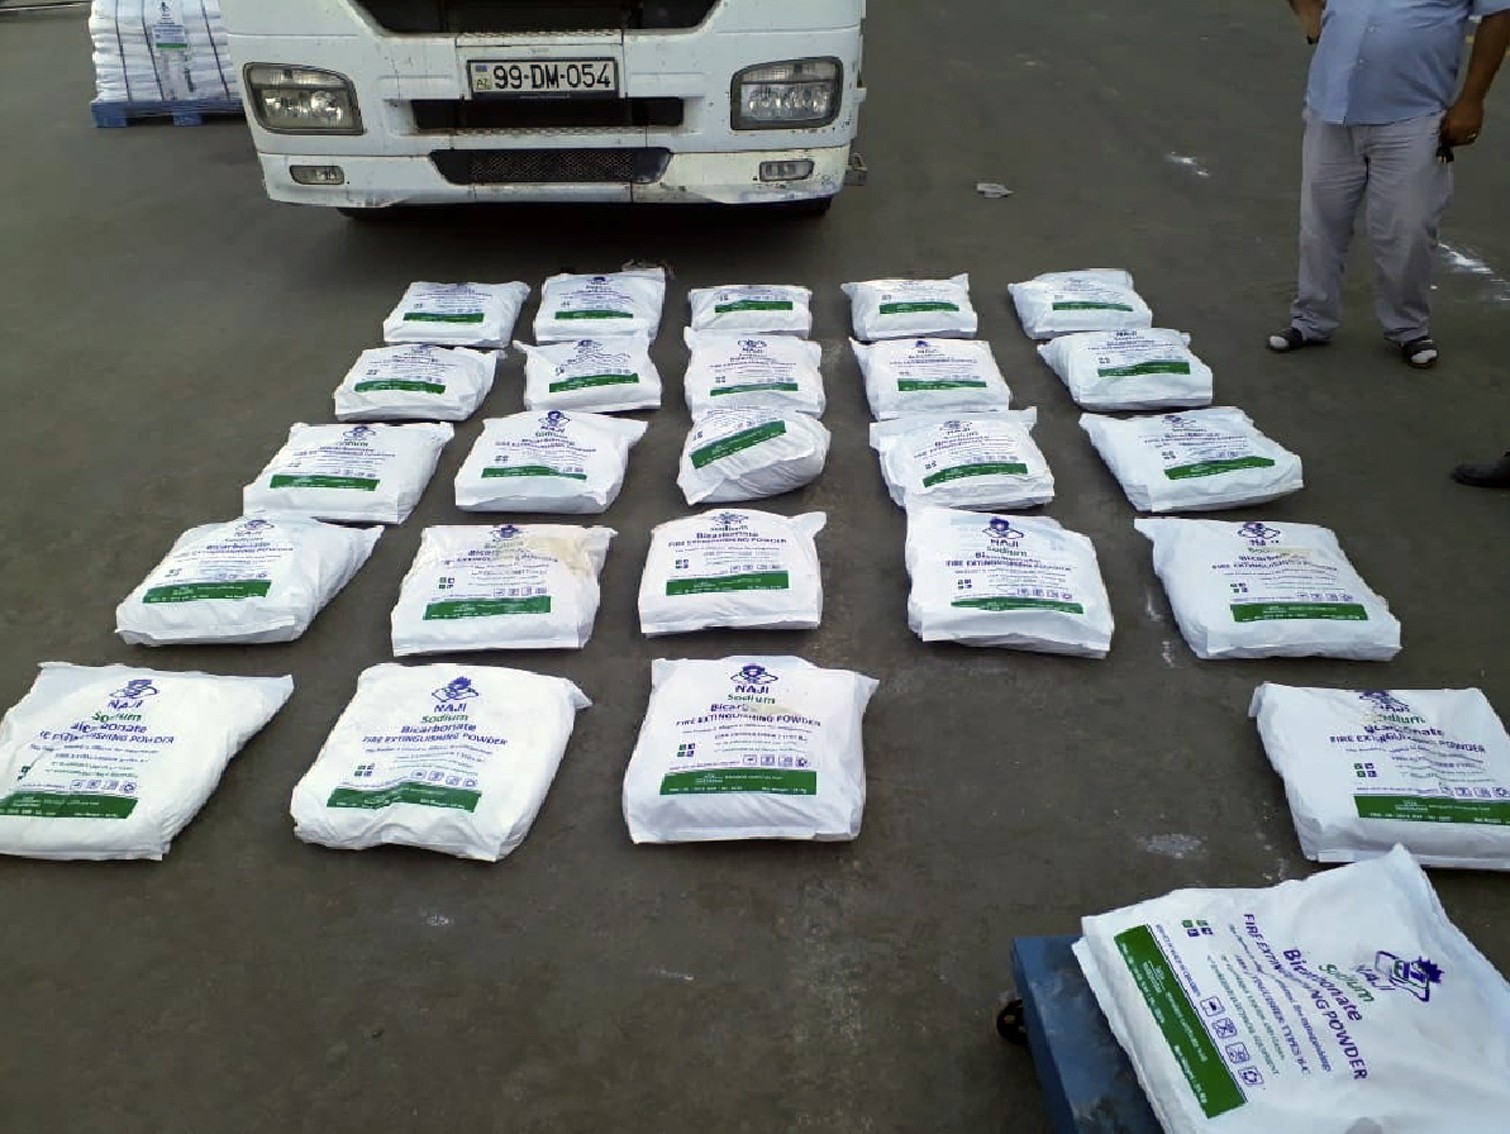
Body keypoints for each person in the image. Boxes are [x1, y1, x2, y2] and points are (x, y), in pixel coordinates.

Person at [1270, 1, 1510, 368]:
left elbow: (1499, 14)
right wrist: (1311, 17)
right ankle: (1311, 320)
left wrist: (1471, 101)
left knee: (1408, 229)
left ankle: (1408, 328)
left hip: (1413, 113)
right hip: (1330, 106)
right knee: (1320, 225)